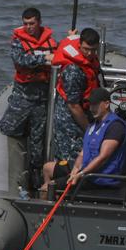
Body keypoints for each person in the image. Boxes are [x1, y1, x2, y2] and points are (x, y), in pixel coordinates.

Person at [0, 7, 58, 188]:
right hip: (23, 95)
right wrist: (44, 59)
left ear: (39, 22)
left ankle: (36, 178)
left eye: (32, 23)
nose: (29, 27)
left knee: (38, 140)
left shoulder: (51, 40)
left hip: (42, 96)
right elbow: (21, 60)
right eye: (25, 24)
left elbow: (59, 56)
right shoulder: (18, 41)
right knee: (9, 128)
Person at [43, 27, 101, 188]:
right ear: (79, 45)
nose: (89, 54)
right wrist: (88, 128)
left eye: (93, 50)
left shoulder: (88, 62)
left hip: (83, 112)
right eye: (86, 49)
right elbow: (73, 105)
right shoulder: (73, 71)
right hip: (69, 120)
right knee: (70, 158)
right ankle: (55, 187)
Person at [68, 87, 126, 189]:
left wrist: (81, 173)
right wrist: (76, 168)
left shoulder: (115, 126)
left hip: (101, 179)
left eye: (95, 104)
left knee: (47, 187)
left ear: (106, 104)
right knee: (47, 168)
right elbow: (83, 153)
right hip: (86, 174)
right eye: (91, 105)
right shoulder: (92, 125)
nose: (91, 108)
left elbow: (103, 157)